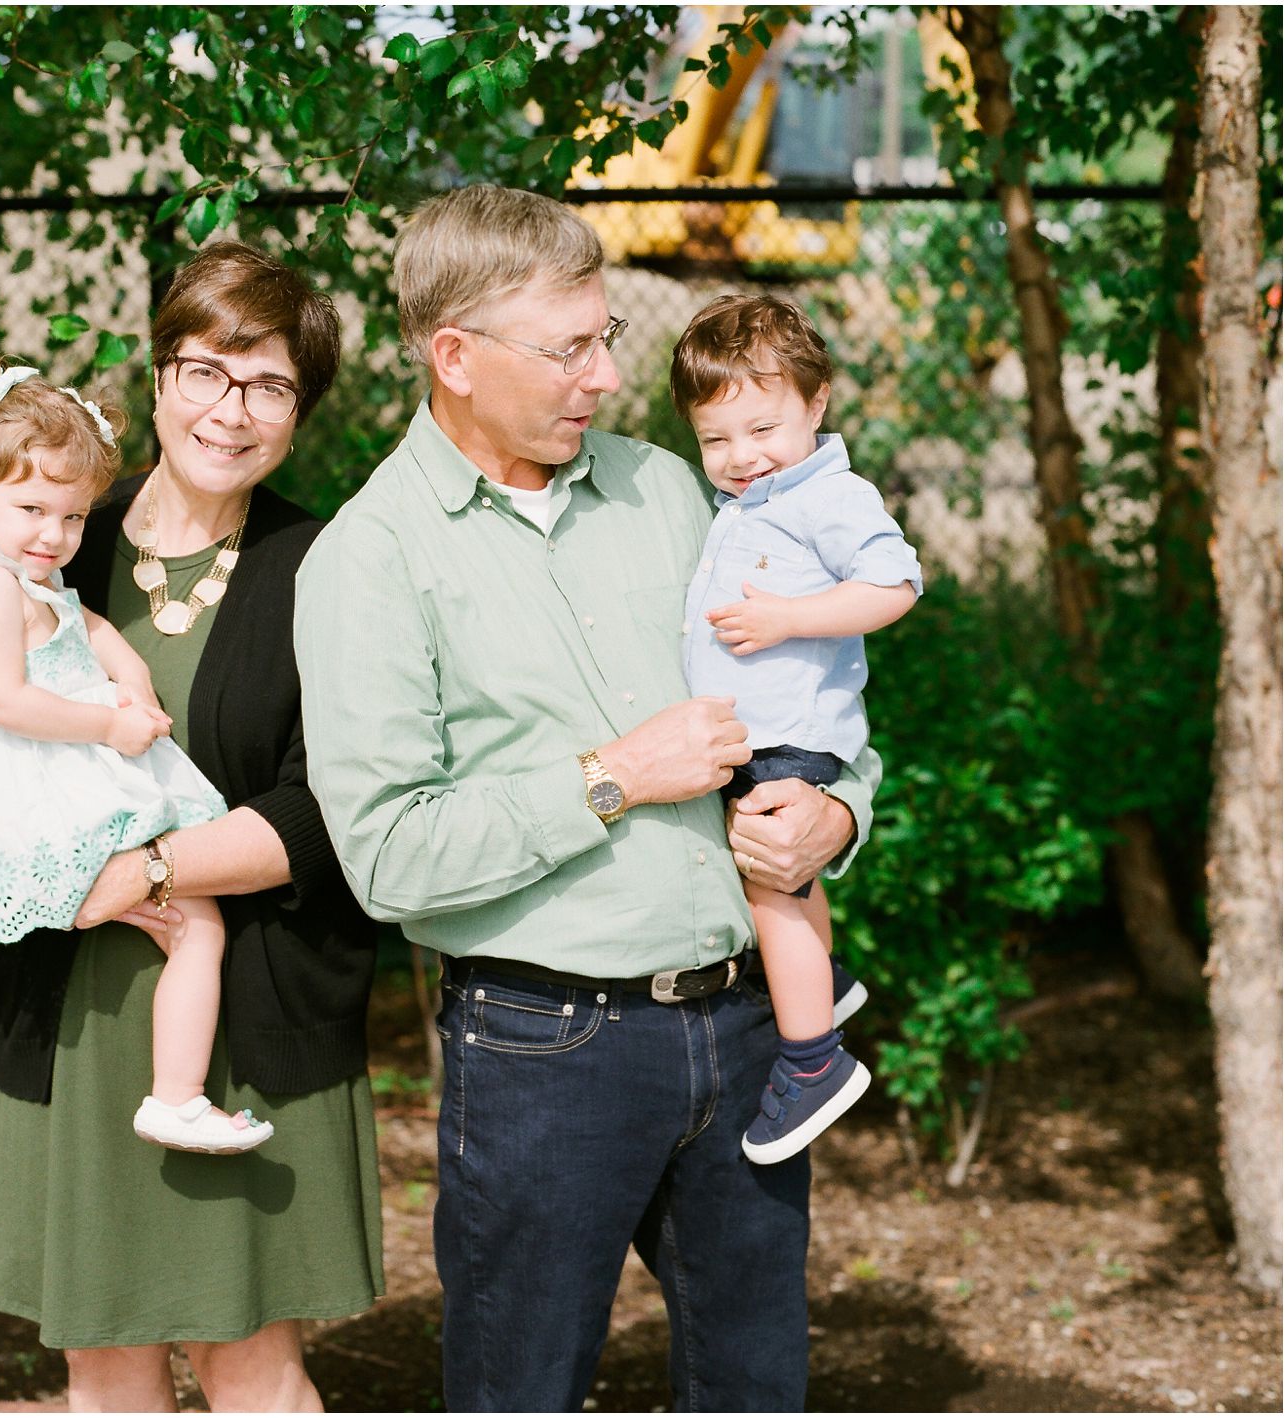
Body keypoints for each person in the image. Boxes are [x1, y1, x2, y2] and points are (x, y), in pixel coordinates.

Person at [294, 184, 880, 1412]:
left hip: (747, 1036)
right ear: (452, 357)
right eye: (568, 347)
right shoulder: (370, 556)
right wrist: (615, 776)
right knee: (520, 1386)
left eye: (604, 335)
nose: (604, 374)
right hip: (543, 1049)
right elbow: (390, 856)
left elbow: (810, 688)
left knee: (755, 1379)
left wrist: (843, 810)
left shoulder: (669, 489)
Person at [0, 242, 383, 1412]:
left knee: (251, 1364)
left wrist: (140, 866)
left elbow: (332, 804)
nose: (230, 410)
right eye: (205, 370)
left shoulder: (325, 564)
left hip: (243, 1008)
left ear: (301, 410)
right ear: (160, 373)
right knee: (104, 1355)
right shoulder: (53, 530)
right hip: (72, 1009)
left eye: (270, 384)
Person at [0, 355, 273, 1155]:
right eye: (34, 508)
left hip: (6, 792)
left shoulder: (8, 570)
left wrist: (130, 668)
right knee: (196, 923)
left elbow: (82, 626)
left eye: (75, 517)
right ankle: (175, 1096)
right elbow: (6, 699)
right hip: (34, 786)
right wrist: (111, 726)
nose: (56, 535)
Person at [672, 294, 922, 1166]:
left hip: (791, 736)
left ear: (817, 405)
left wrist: (790, 620)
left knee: (768, 883)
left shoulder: (831, 496)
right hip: (758, 731)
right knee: (783, 890)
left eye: (763, 429)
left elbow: (897, 585)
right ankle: (825, 979)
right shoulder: (750, 499)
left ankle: (813, 1062)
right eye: (716, 440)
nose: (741, 457)